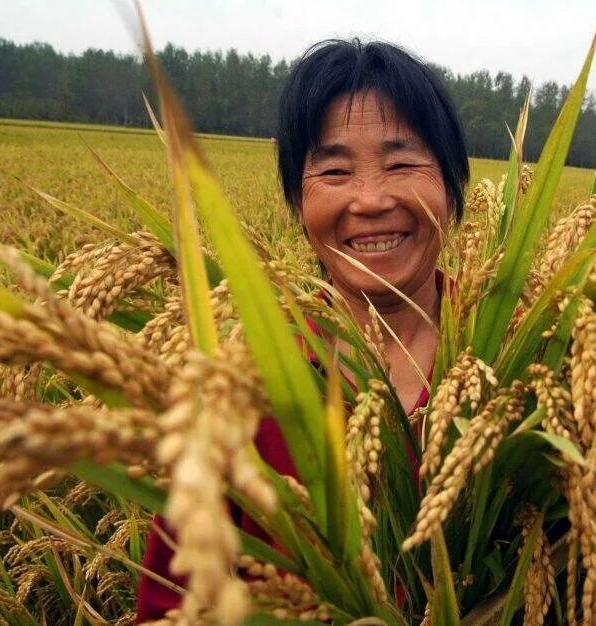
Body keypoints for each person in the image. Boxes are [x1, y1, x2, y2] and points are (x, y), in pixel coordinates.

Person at [135, 38, 469, 622]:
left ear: (451, 183)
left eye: (402, 164)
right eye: (335, 170)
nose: (370, 200)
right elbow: (173, 600)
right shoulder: (241, 382)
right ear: (297, 199)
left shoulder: (524, 354)